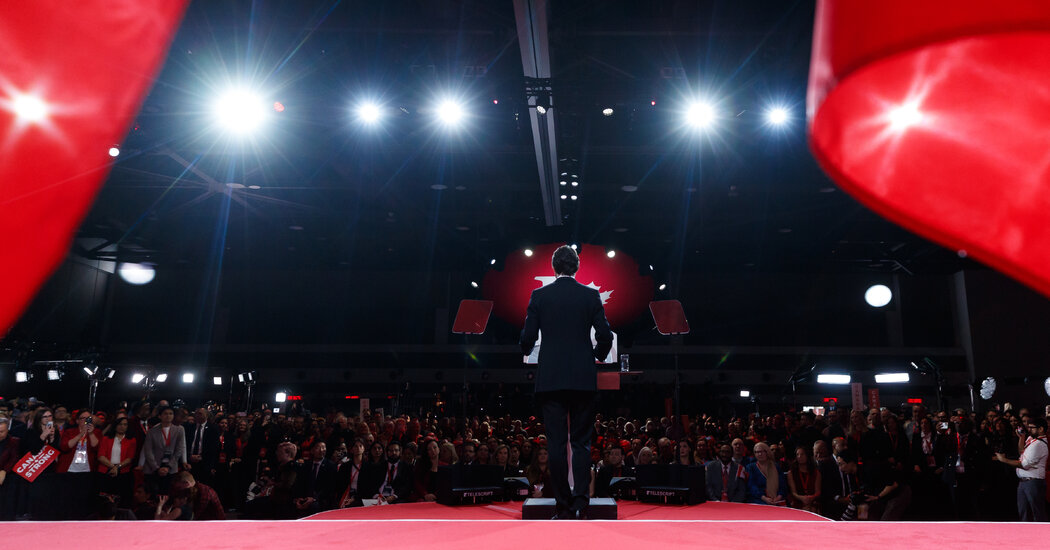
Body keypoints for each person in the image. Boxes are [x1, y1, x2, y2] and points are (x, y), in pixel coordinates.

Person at [519, 245, 614, 520]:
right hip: (583, 378)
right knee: (582, 444)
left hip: (551, 379)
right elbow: (605, 336)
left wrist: (526, 349)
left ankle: (562, 506)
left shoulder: (539, 295)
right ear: (576, 267)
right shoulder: (590, 295)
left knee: (557, 444)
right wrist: (594, 356)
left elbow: (527, 338)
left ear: (553, 267)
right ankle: (581, 506)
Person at [994, 417, 1047, 521]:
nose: (1029, 430)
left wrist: (1004, 460)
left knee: (1037, 514)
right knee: (1024, 513)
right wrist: (1021, 438)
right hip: (1024, 482)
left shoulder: (1039, 444)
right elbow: (1021, 451)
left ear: (1040, 429)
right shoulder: (1031, 439)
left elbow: (1024, 464)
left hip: (1033, 482)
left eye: (1032, 428)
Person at [142, 406, 188, 495]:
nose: (168, 416)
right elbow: (148, 451)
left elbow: (179, 449)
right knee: (152, 495)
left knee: (167, 494)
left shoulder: (179, 430)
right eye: (165, 414)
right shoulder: (152, 431)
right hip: (153, 468)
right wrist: (156, 468)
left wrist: (168, 467)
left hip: (170, 468)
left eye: (171, 414)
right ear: (160, 416)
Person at [96, 416, 137, 506]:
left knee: (120, 498)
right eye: (120, 424)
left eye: (125, 424)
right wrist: (113, 467)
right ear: (115, 425)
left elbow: (130, 458)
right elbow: (100, 456)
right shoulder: (106, 438)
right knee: (104, 498)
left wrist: (117, 467)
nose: (122, 426)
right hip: (105, 470)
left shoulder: (131, 440)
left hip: (123, 472)